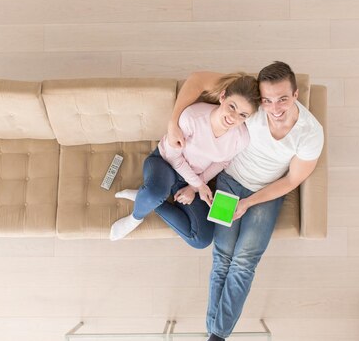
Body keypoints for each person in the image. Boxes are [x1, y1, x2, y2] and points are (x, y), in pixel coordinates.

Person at [166, 62, 324, 341]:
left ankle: (216, 336)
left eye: (282, 99)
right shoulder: (251, 105)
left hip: (266, 193)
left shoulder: (310, 133)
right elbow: (197, 78)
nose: (274, 108)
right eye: (267, 101)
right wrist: (173, 124)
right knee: (223, 256)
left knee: (245, 261)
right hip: (228, 182)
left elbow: (291, 181)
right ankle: (217, 337)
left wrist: (249, 203)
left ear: (295, 94)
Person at [110, 74, 260, 249]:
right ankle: (135, 217)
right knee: (154, 192)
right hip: (164, 163)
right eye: (232, 107)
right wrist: (199, 185)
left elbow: (222, 163)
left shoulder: (241, 138)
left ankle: (145, 199)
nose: (233, 118)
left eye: (242, 115)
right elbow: (174, 157)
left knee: (201, 239)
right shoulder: (192, 118)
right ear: (222, 96)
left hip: (191, 180)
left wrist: (193, 187)